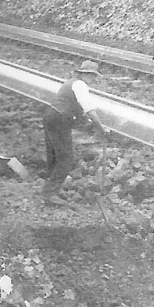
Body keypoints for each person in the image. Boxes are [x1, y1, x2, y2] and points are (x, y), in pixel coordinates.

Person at [41, 60, 110, 205]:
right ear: (83, 74)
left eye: (93, 76)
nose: (92, 79)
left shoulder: (71, 83)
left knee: (54, 156)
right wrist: (100, 127)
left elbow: (78, 110)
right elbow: (88, 109)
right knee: (66, 159)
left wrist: (88, 123)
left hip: (51, 116)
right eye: (91, 76)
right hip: (59, 120)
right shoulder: (80, 85)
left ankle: (51, 190)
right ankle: (50, 193)